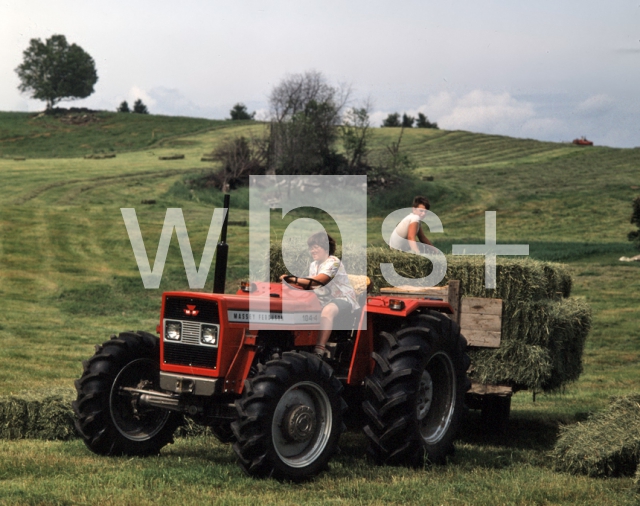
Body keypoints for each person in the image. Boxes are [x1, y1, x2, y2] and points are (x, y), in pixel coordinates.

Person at [280, 232, 359, 358]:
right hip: (323, 299)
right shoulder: (314, 265)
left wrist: (293, 279)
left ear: (326, 247)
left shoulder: (333, 262)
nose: (313, 251)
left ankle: (319, 349)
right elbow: (310, 286)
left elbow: (319, 281)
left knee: (328, 310)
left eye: (316, 247)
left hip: (342, 298)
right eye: (311, 247)